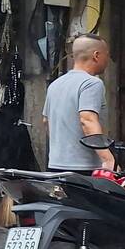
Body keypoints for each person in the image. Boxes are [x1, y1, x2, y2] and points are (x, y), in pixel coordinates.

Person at [43, 34, 113, 173]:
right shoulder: (92, 83)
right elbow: (87, 120)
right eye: (106, 55)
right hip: (84, 168)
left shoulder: (55, 84)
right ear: (96, 55)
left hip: (56, 165)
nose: (108, 59)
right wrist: (108, 159)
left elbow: (46, 121)